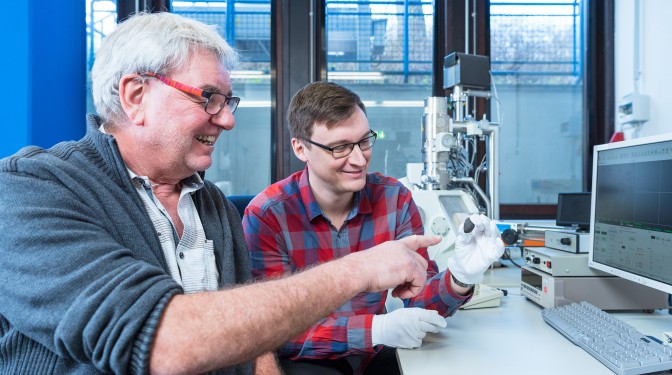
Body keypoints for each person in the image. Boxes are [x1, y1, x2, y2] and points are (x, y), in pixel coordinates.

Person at [0, 12, 441, 375]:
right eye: (207, 97)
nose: (226, 120)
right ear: (135, 95)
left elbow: (255, 344)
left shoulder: (211, 206)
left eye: (227, 102)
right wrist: (360, 270)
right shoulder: (30, 190)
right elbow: (164, 341)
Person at [244, 81, 502, 374]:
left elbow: (419, 304)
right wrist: (375, 329)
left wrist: (460, 277)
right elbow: (273, 329)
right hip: (307, 362)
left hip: (372, 357)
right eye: (340, 147)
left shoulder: (394, 199)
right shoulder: (266, 216)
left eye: (365, 141)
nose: (358, 159)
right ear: (300, 148)